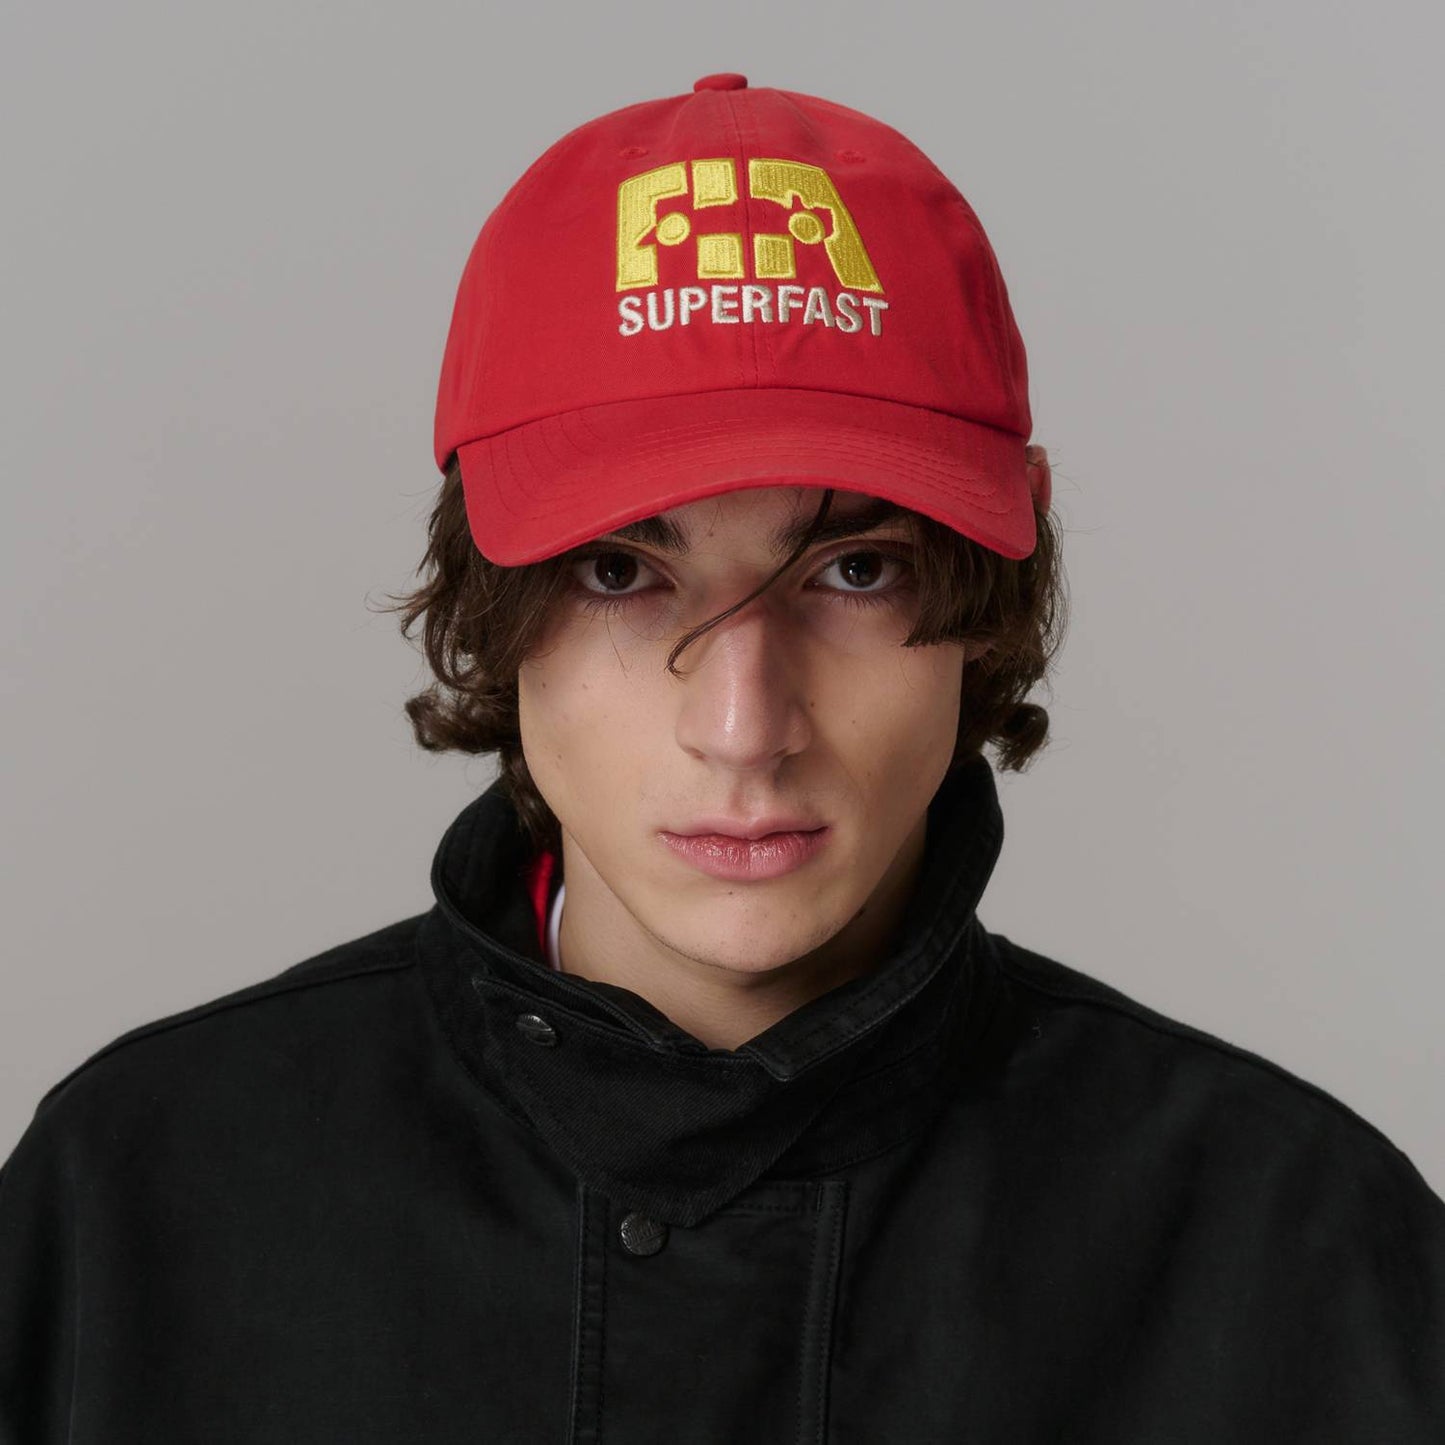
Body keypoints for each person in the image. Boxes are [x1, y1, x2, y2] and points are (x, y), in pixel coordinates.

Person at [1, 71, 1441, 1443]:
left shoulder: (1306, 1250)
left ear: (1001, 563)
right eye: (621, 571)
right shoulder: (133, 1203)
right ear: (487, 590)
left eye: (857, 569)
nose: (745, 725)